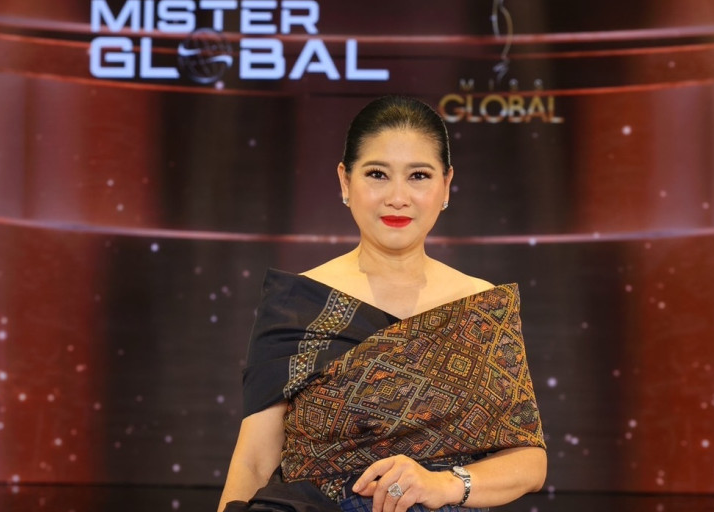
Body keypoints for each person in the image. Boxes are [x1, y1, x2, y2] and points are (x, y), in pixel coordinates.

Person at [218, 96, 547, 512]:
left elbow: (529, 461)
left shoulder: (482, 308)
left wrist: (444, 485)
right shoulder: (296, 305)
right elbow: (253, 461)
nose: (397, 197)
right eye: (377, 174)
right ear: (345, 181)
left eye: (418, 176)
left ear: (446, 184)